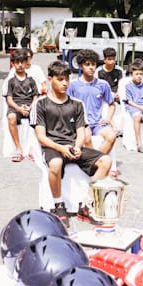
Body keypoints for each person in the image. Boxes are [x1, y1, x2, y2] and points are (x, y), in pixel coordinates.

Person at [32, 60, 112, 226]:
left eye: (67, 79)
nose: (65, 83)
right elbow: (41, 136)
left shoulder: (77, 104)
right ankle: (58, 205)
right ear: (50, 80)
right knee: (55, 163)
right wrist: (60, 148)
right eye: (60, 79)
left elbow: (81, 132)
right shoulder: (41, 104)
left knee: (106, 160)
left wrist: (77, 146)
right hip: (53, 147)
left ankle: (87, 204)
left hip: (74, 146)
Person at [67, 49, 117, 155]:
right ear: (81, 66)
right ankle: (97, 161)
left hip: (98, 124)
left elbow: (112, 104)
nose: (91, 67)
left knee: (112, 136)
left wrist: (108, 118)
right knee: (86, 138)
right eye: (87, 64)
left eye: (93, 64)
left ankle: (97, 159)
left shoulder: (103, 84)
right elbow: (66, 106)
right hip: (81, 124)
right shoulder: (73, 85)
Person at [5, 50, 41, 161]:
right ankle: (18, 149)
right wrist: (18, 109)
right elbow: (9, 99)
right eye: (17, 62)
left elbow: (36, 96)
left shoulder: (31, 80)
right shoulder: (11, 81)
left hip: (30, 106)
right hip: (16, 107)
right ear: (13, 64)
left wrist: (31, 107)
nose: (20, 65)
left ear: (26, 63)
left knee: (40, 118)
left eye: (22, 62)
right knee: (11, 117)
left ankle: (33, 149)